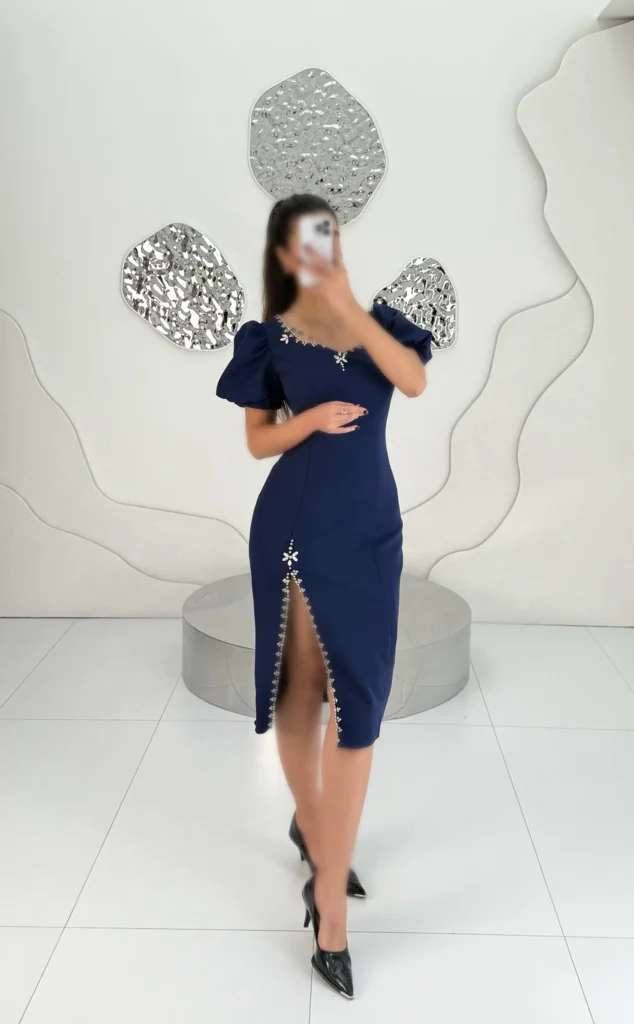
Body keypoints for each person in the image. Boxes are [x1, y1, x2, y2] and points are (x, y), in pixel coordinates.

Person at [216, 193, 432, 999]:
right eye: (306, 242)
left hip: (371, 533)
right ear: (283, 254)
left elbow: (412, 381)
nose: (321, 251)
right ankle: (329, 901)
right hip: (297, 527)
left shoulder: (381, 325)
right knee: (304, 690)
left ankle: (320, 841)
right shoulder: (268, 340)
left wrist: (351, 310)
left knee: (361, 704)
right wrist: (307, 422)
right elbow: (256, 441)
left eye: (329, 237)